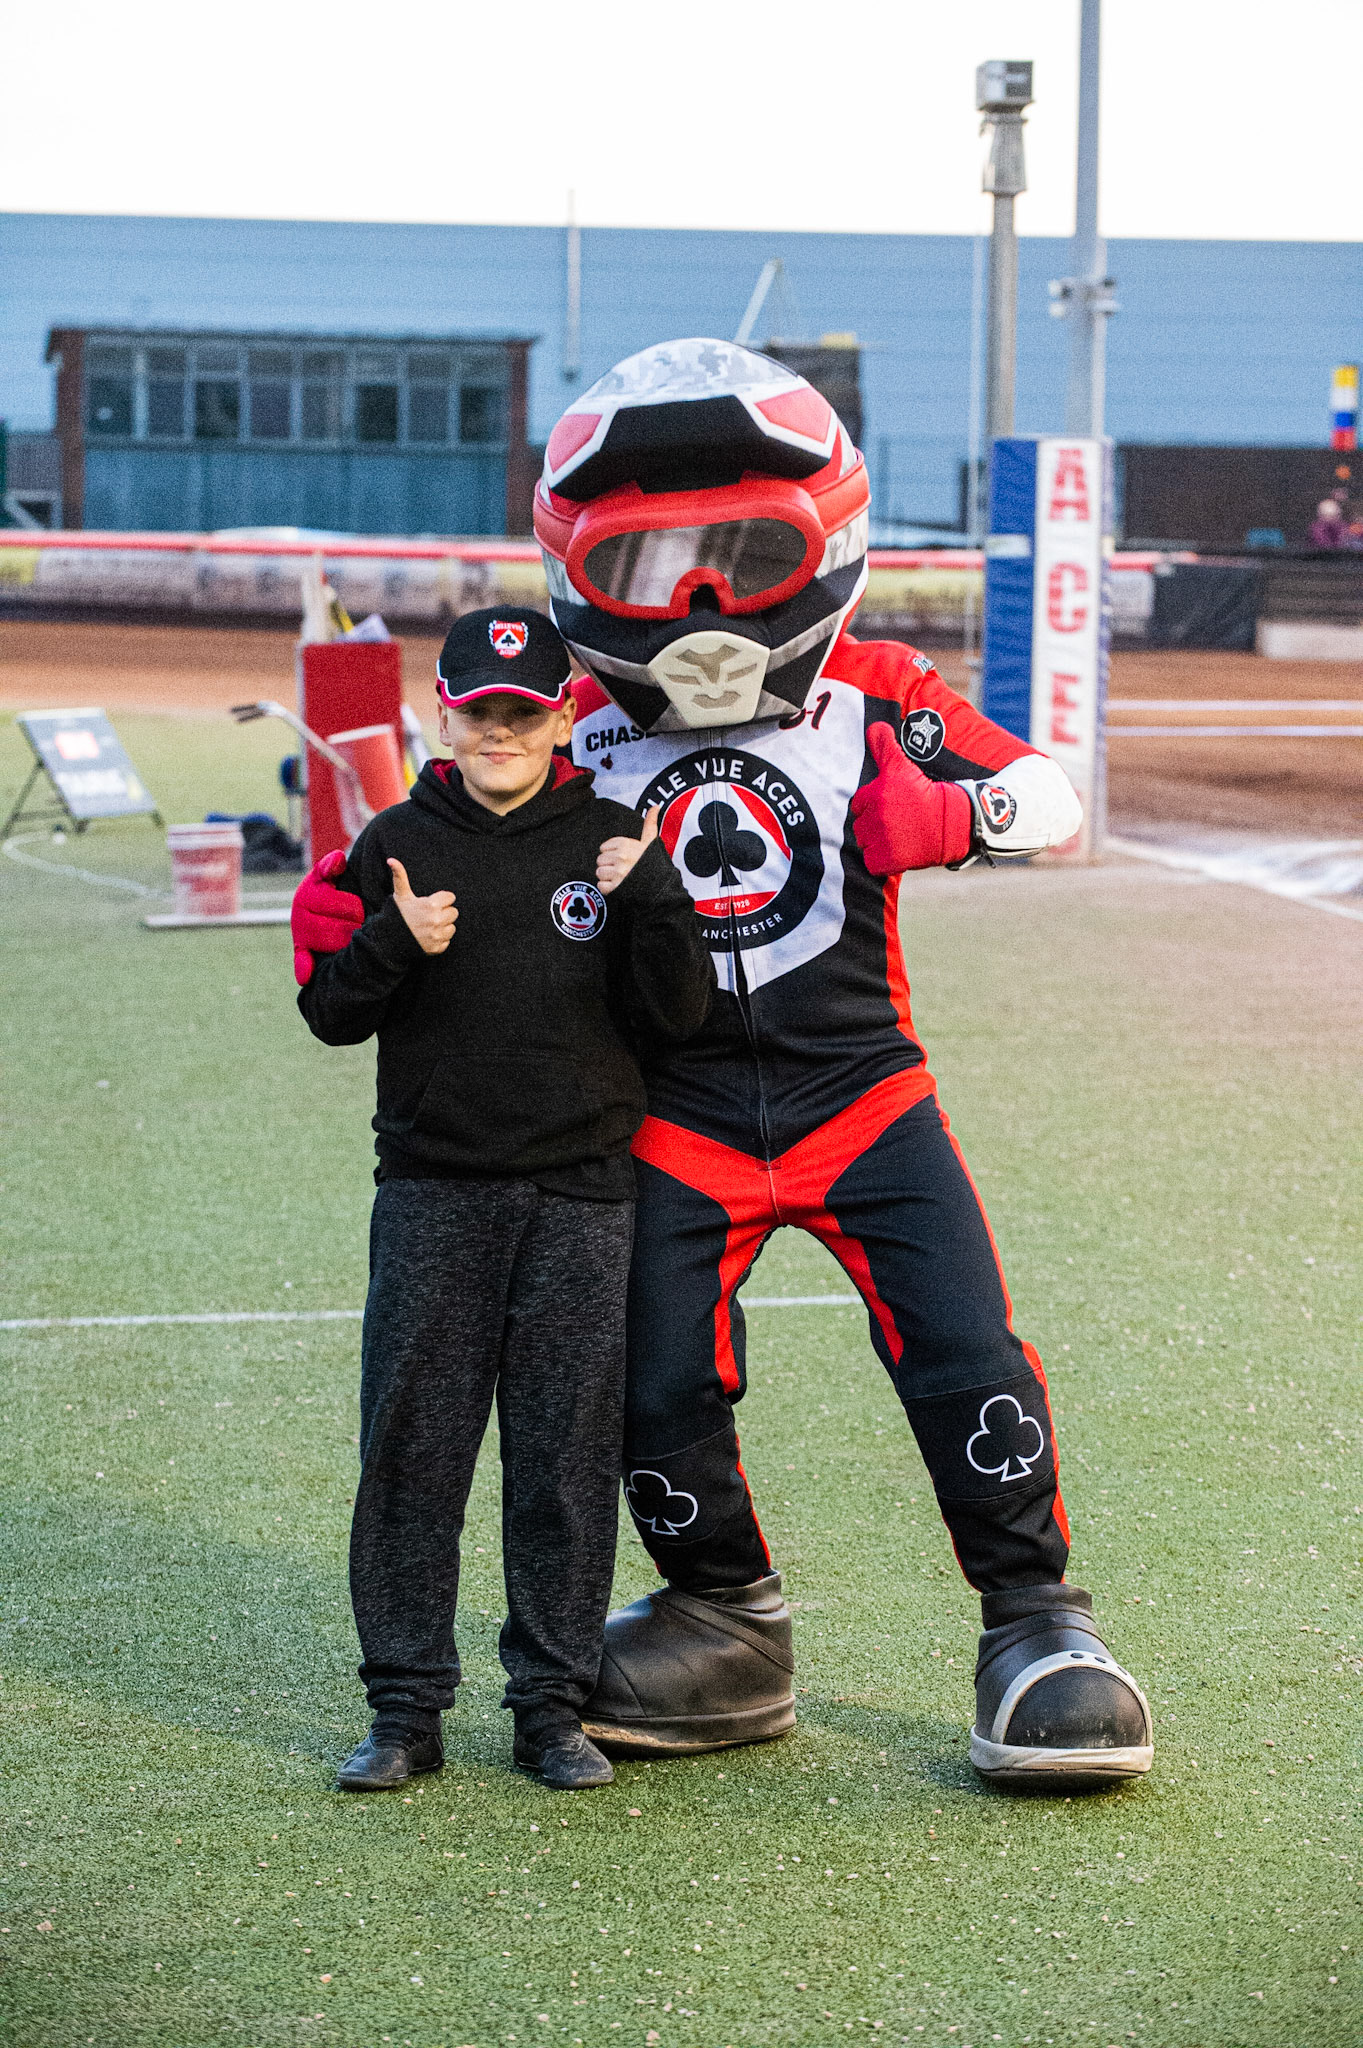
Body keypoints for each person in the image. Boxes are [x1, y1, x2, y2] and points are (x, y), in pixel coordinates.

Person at [295, 341, 1155, 1791]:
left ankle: (1033, 1622)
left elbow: (1047, 792)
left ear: (819, 536)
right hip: (667, 1107)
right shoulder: (578, 718)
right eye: (653, 565)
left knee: (960, 1344)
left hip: (861, 1090)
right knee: (644, 1377)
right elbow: (452, 813)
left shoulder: (875, 688)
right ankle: (726, 1617)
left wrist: (953, 818)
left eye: (735, 551)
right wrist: (352, 895)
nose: (697, 603)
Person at [293, 605, 715, 1792]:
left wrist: (655, 898)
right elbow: (330, 1014)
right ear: (446, 711)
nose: (502, 729)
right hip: (434, 1193)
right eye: (481, 709)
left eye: (524, 712)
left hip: (584, 1199)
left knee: (565, 1465)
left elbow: (676, 1019)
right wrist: (389, 937)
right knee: (413, 1456)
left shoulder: (616, 839)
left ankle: (551, 1709)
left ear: (562, 716)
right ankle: (404, 1710)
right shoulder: (393, 841)